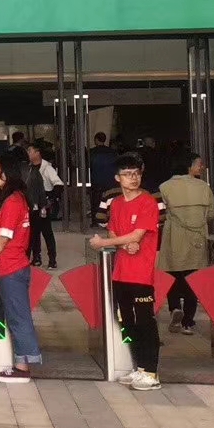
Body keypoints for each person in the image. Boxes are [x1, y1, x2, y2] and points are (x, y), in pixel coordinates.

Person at [90, 153, 166, 391]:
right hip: (121, 271)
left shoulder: (147, 202)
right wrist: (124, 245)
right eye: (127, 174)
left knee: (145, 321)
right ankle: (140, 368)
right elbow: (114, 231)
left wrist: (103, 243)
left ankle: (151, 372)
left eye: (136, 173)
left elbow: (137, 234)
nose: (133, 178)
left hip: (141, 273)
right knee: (128, 321)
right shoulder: (116, 204)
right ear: (117, 178)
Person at [0, 151, 41, 383]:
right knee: (16, 315)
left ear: (8, 174)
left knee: (18, 317)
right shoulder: (14, 200)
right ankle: (21, 363)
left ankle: (22, 367)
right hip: (9, 266)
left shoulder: (13, 202)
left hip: (11, 267)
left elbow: (4, 237)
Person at [157, 151, 214, 335]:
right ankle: (188, 323)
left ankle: (175, 307)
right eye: (198, 164)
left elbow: (159, 214)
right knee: (193, 279)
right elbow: (211, 214)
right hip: (197, 237)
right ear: (188, 166)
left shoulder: (164, 187)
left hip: (174, 237)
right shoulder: (204, 187)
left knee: (173, 274)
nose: (202, 167)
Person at [26, 143, 63, 269]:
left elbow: (58, 184)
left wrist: (49, 197)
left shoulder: (47, 168)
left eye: (30, 151)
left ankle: (52, 259)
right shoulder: (29, 168)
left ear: (37, 153)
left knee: (47, 232)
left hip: (43, 204)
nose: (28, 154)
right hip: (32, 204)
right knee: (34, 233)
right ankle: (36, 257)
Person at [87, 133, 119, 197]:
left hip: (96, 183)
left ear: (96, 140)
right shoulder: (113, 152)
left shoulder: (92, 152)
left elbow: (88, 167)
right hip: (110, 182)